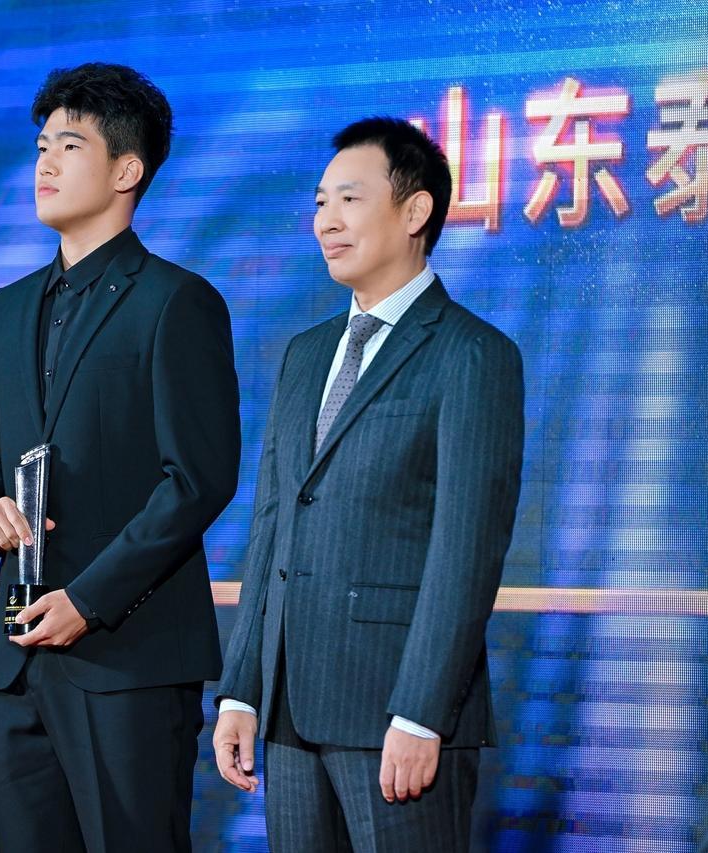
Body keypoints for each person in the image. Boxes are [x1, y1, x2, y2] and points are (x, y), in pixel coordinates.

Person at [213, 117, 525, 852]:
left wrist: (422, 713)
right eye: (320, 203)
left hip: (396, 717)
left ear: (415, 211)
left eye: (349, 200)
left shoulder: (473, 354)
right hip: (288, 712)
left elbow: (466, 551)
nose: (326, 221)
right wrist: (241, 689)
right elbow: (272, 525)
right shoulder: (305, 353)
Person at [0, 62, 240, 853]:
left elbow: (197, 479)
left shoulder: (176, 301)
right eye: (41, 146)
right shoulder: (5, 309)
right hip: (18, 656)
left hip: (128, 656)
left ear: (126, 170)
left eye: (69, 145)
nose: (45, 162)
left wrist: (88, 597)